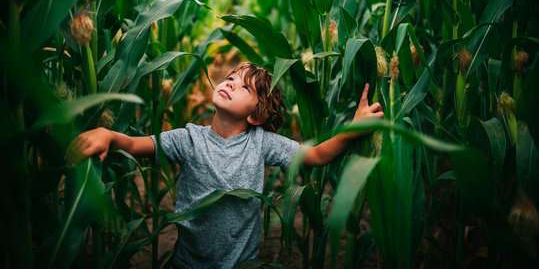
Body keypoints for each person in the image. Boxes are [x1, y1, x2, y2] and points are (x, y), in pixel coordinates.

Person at [66, 62, 384, 268]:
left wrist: (352, 129)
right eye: (231, 78)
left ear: (256, 115)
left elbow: (316, 156)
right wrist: (109, 134)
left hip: (241, 264)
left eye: (244, 87)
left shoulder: (261, 143)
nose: (231, 83)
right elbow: (138, 145)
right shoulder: (189, 138)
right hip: (187, 263)